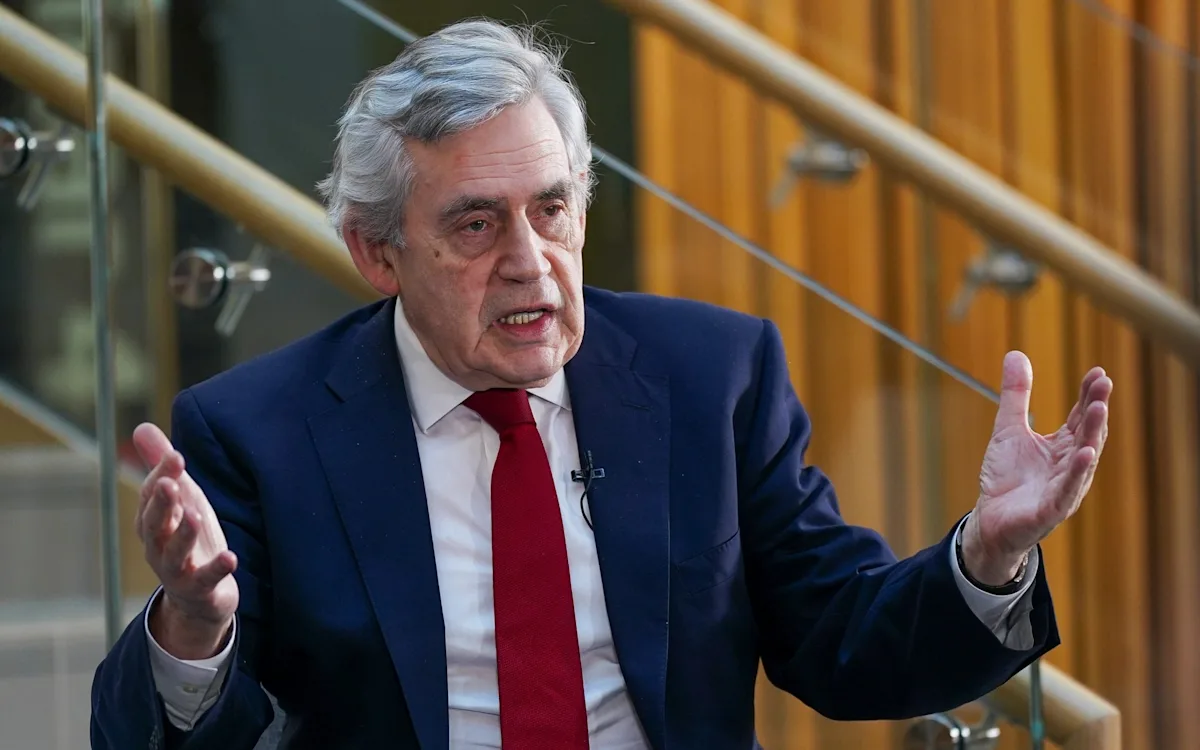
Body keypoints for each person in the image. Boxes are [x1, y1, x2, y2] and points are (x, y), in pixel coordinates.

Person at [90, 18, 1111, 750]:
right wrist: (195, 627)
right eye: (476, 224)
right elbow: (169, 735)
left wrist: (988, 556)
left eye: (552, 209)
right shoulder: (258, 430)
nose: (529, 262)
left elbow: (842, 641)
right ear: (376, 252)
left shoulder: (712, 378)